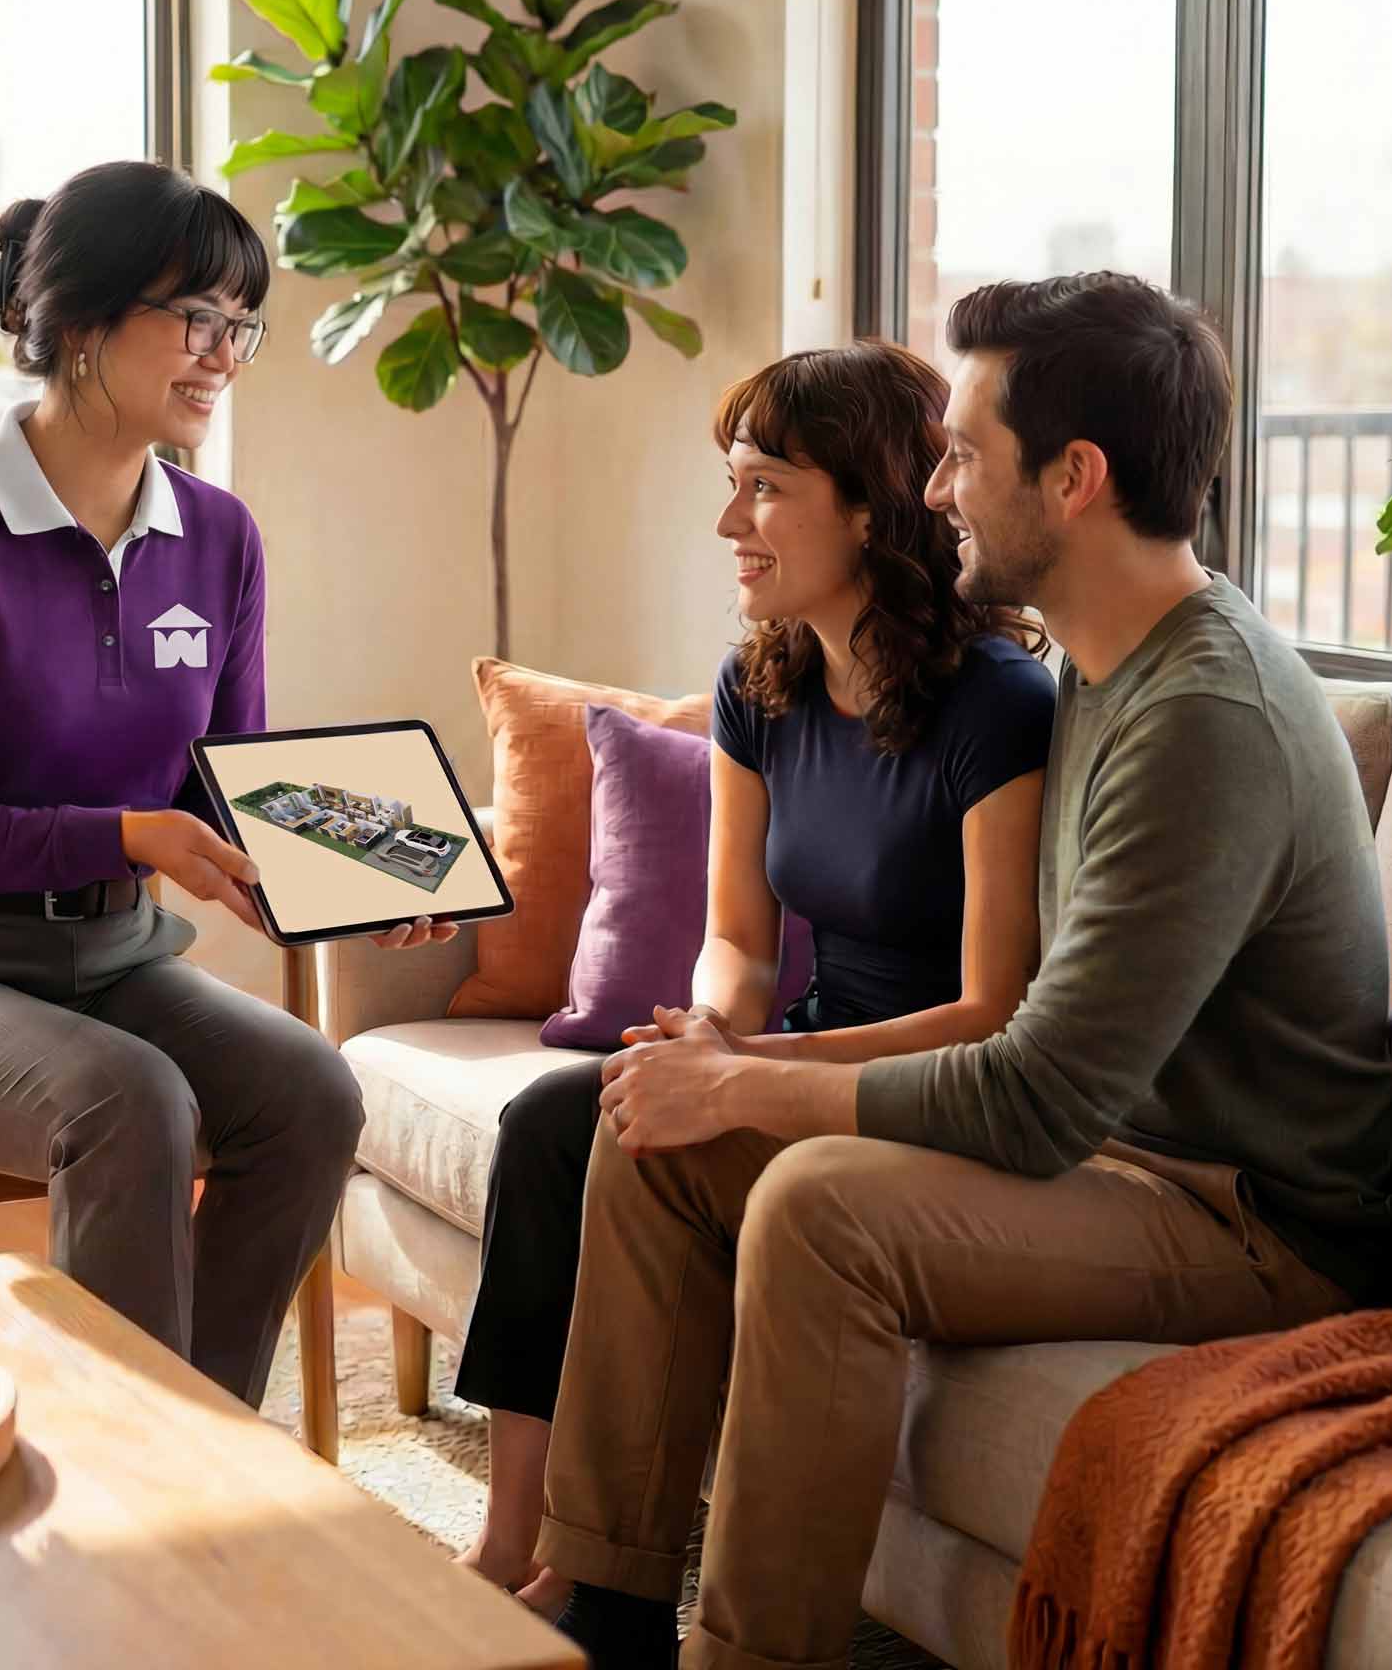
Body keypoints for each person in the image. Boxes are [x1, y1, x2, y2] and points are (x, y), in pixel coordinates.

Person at [536, 274, 1392, 1670]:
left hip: (1252, 1218)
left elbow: (1039, 1098)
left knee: (817, 1205)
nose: (933, 493)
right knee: (654, 1139)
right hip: (1129, 1158)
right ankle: (606, 1602)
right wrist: (713, 1073)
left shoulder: (1201, 719)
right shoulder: (1104, 665)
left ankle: (751, 1655)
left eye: (962, 459)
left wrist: (747, 1075)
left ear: (1074, 479)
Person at [0, 160, 454, 1408]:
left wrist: (351, 878)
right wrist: (121, 833)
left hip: (112, 961)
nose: (222, 353)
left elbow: (223, 790)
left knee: (312, 1091)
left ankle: (202, 1433)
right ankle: (122, 1464)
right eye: (194, 319)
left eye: (239, 324)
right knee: (129, 1100)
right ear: (86, 324)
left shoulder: (218, 536)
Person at [456, 342, 1057, 1615]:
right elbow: (738, 932)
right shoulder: (762, 678)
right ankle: (521, 1539)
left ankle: (598, 1587)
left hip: (923, 1090)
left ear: (872, 505)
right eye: (732, 484)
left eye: (766, 487)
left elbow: (995, 1006)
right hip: (804, 1042)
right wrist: (710, 1025)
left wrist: (734, 1075)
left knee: (643, 1138)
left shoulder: (996, 705)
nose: (732, 521)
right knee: (563, 1115)